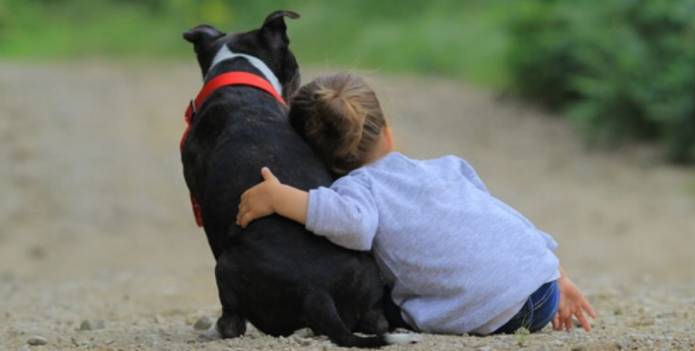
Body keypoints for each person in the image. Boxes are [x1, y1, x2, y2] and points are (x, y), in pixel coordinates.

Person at [235, 73, 596, 335]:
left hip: (494, 315)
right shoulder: (450, 167)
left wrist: (282, 198)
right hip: (544, 290)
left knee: (382, 297)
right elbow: (500, 220)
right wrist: (556, 274)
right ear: (387, 131)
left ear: (319, 162)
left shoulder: (359, 189)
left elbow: (352, 224)